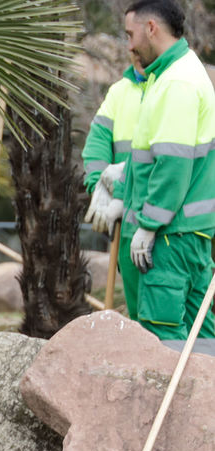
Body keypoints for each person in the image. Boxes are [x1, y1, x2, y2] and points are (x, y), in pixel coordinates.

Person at [117, 0, 215, 340]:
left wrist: (149, 225)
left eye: (131, 34)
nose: (129, 45)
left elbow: (172, 164)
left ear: (151, 29)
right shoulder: (173, 75)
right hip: (186, 234)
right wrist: (120, 174)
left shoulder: (177, 83)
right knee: (200, 338)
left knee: (163, 339)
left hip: (169, 237)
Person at [82, 60, 145, 317]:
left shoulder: (175, 86)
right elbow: (97, 142)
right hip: (126, 220)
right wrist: (100, 184)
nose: (132, 48)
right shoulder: (120, 91)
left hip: (170, 216)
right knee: (139, 312)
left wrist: (121, 180)